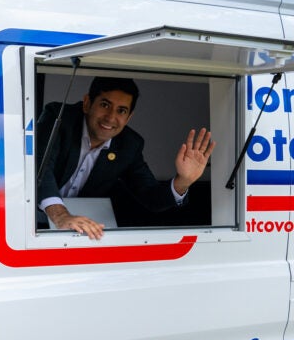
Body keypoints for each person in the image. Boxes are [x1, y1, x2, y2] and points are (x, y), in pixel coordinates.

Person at [36, 77, 215, 240]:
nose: (111, 117)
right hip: (27, 224)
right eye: (105, 105)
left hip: (82, 232)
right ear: (87, 103)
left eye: (121, 111)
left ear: (129, 117)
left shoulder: (129, 144)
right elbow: (40, 168)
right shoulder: (58, 118)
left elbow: (151, 197)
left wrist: (183, 181)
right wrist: (60, 216)